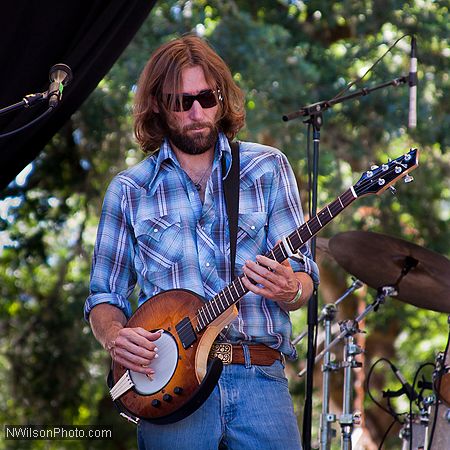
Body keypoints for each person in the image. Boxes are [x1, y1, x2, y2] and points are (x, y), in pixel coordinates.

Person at [84, 34, 319, 450]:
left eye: (207, 98)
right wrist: (115, 336)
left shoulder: (267, 168)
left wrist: (291, 288)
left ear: (223, 99)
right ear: (157, 104)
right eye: (181, 101)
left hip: (258, 376)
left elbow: (303, 281)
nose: (197, 112)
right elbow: (105, 295)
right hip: (170, 389)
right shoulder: (129, 190)